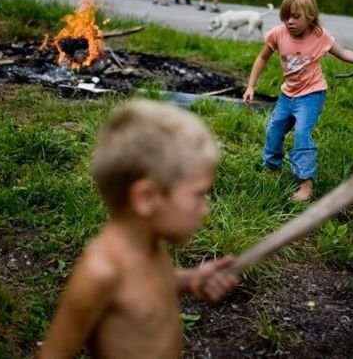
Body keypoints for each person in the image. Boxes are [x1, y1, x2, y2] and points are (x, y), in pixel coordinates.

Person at [38, 99, 239, 359]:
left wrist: (190, 280)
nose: (205, 208)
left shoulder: (149, 243)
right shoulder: (100, 272)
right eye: (198, 194)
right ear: (146, 198)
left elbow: (145, 287)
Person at [242, 0, 353, 202]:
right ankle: (271, 167)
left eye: (295, 17)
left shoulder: (320, 36)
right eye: (285, 16)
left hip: (311, 95)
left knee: (301, 133)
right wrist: (251, 86)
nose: (289, 21)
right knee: (274, 129)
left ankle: (306, 184)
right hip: (287, 95)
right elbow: (262, 58)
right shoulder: (277, 34)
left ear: (310, 17)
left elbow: (344, 52)